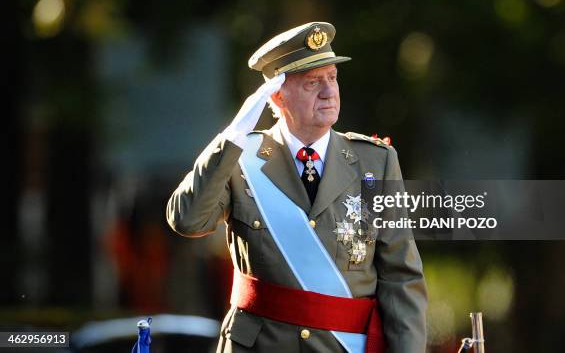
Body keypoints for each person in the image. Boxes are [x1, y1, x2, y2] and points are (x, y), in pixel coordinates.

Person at [166, 22, 427, 352]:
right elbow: (187, 219)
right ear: (277, 94)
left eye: (332, 77)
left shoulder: (375, 162)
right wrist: (230, 139)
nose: (329, 91)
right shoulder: (239, 160)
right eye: (312, 82)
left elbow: (400, 277)